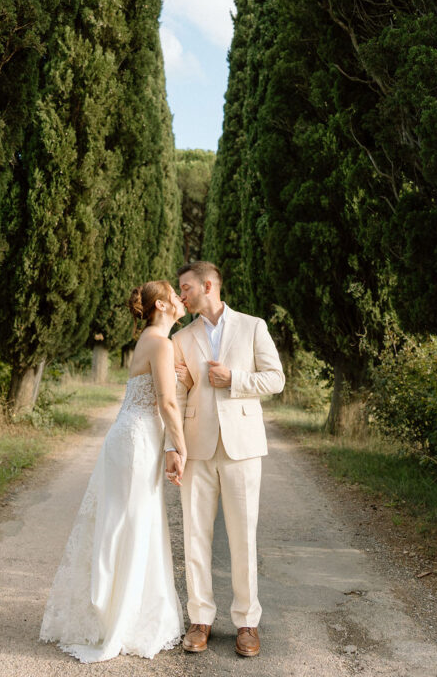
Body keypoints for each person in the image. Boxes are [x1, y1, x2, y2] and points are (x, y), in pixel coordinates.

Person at [40, 281, 188, 662]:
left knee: (126, 522)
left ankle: (116, 611)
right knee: (132, 524)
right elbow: (168, 403)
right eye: (175, 295)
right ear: (161, 304)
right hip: (137, 442)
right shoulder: (160, 342)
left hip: (132, 437)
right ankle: (118, 619)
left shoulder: (152, 340)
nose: (180, 300)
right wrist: (180, 445)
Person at [164, 261, 285, 658]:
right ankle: (200, 620)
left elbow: (275, 379)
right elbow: (178, 397)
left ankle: (247, 623)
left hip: (243, 448)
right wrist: (173, 447)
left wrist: (234, 378)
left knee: (242, 538)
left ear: (208, 285)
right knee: (195, 535)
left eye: (186, 288)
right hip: (196, 449)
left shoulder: (253, 326)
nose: (180, 296)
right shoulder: (182, 338)